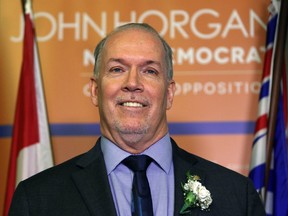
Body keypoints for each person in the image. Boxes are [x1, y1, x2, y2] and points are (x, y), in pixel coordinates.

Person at [8, 23, 265, 216]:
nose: (132, 83)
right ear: (95, 91)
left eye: (150, 71)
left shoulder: (235, 195)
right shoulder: (37, 199)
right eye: (117, 69)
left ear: (169, 93)